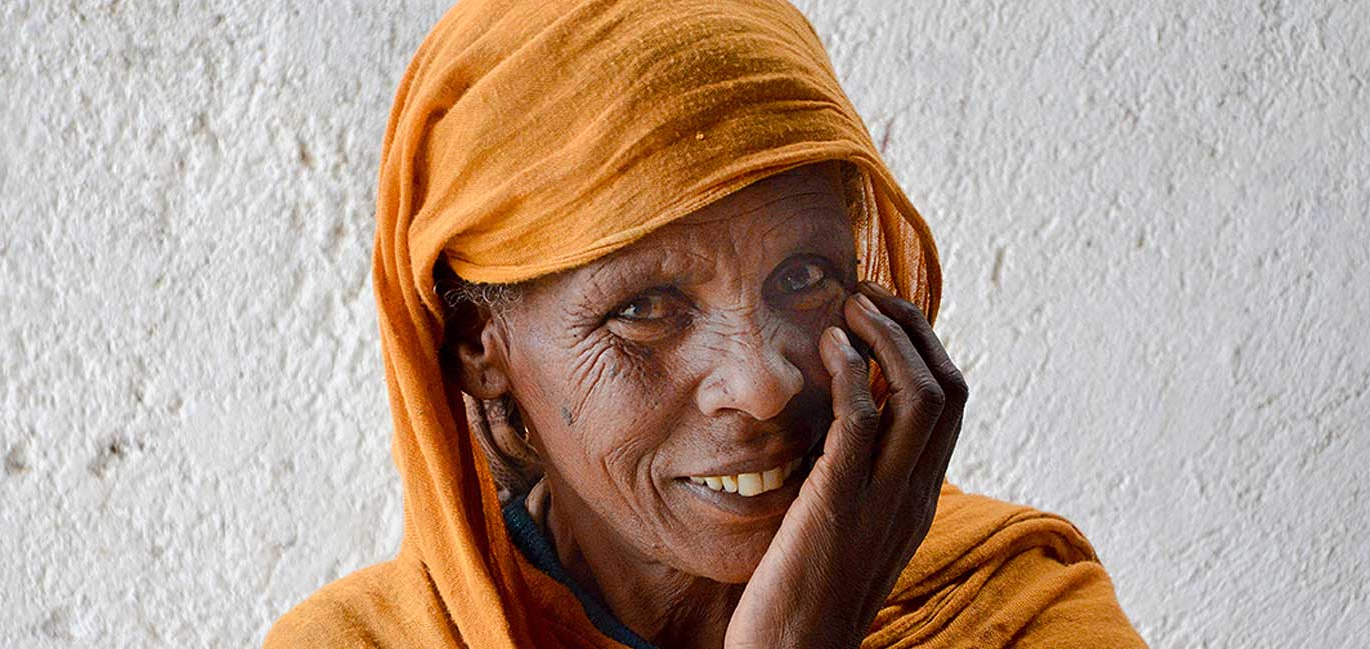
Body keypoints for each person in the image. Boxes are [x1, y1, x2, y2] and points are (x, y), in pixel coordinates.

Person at [266, 0, 1145, 646]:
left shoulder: (1012, 610)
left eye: (804, 276)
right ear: (479, 350)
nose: (764, 382)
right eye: (645, 308)